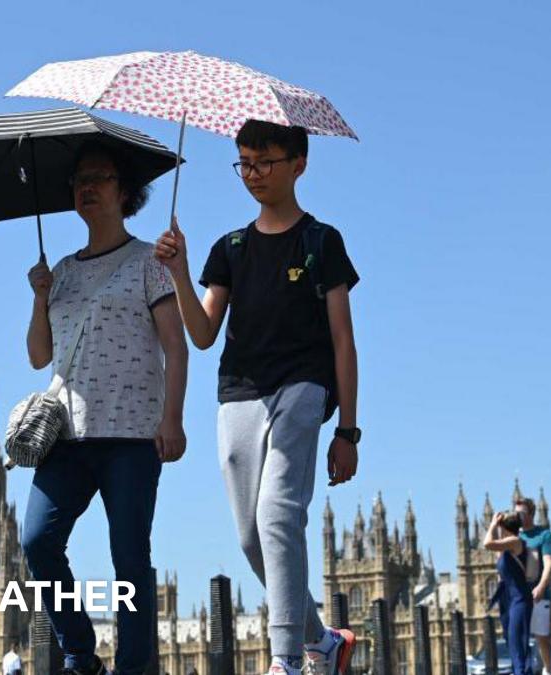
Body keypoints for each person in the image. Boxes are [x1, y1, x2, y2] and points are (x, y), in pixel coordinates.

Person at [154, 120, 359, 675]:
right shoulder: (231, 249)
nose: (252, 173)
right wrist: (177, 271)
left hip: (303, 387)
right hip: (240, 393)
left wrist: (348, 431)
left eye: (264, 161)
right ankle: (323, 639)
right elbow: (201, 334)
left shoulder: (322, 242)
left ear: (299, 164)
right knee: (251, 536)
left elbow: (343, 339)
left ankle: (286, 659)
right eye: (244, 161)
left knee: (278, 514)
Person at [21, 141, 189, 675]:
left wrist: (172, 418)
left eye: (98, 178)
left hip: (131, 434)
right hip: (67, 433)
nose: (86, 188)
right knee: (37, 540)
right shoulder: (63, 271)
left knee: (129, 559)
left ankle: (134, 667)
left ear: (125, 191)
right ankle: (80, 653)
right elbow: (38, 355)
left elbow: (176, 345)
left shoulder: (149, 262)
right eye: (78, 181)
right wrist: (39, 296)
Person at [486, 511, 536, 675]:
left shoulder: (515, 542)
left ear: (503, 527)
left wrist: (493, 524)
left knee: (518, 641)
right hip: (507, 599)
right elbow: (495, 546)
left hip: (520, 599)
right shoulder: (506, 549)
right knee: (511, 641)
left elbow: (487, 543)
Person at [515, 497, 551, 675]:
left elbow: (548, 564)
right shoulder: (513, 535)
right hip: (518, 593)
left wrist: (541, 586)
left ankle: (547, 669)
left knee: (541, 636)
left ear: (531, 513)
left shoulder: (543, 534)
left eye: (522, 512)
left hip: (538, 592)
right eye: (516, 512)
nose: (518, 516)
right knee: (518, 635)